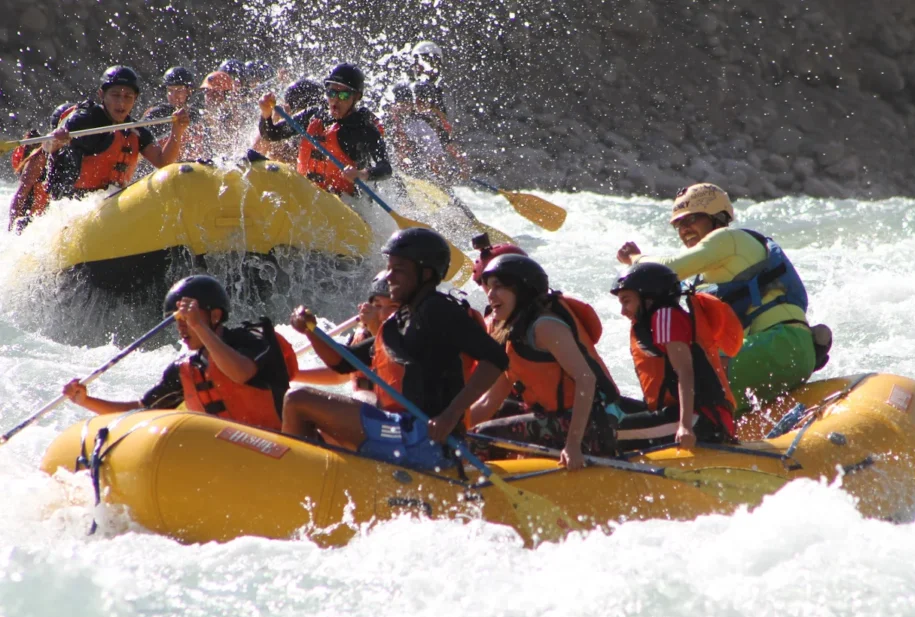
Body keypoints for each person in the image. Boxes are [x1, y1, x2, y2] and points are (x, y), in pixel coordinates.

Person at [282, 228, 507, 470]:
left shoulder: (438, 310)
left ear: (426, 273)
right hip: (401, 429)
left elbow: (495, 359)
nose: (388, 277)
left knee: (297, 401)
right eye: (388, 268)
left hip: (424, 438)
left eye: (398, 269)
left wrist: (451, 415)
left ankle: (293, 481)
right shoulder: (401, 319)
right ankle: (318, 478)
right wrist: (311, 330)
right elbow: (342, 362)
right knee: (339, 403)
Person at [616, 183, 831, 414]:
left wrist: (636, 258)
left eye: (692, 219)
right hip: (781, 351)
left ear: (717, 217)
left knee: (692, 386)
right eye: (678, 224)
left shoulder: (728, 239)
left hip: (779, 344)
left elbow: (669, 269)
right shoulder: (708, 274)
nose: (684, 229)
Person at [62, 275, 299, 431]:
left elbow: (240, 373)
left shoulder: (254, 337)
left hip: (282, 446)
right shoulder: (185, 367)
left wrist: (199, 326)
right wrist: (86, 400)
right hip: (230, 459)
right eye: (178, 321)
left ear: (215, 316)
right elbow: (142, 410)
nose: (182, 327)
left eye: (186, 319)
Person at [469, 255, 620, 470]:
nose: (490, 295)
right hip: (556, 418)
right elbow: (489, 402)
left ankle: (473, 490)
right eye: (488, 287)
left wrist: (573, 445)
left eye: (499, 287)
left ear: (522, 290)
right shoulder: (510, 332)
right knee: (489, 418)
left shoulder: (545, 327)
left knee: (483, 435)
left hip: (592, 425)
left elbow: (586, 380)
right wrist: (452, 426)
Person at [611, 262, 739, 451]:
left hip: (701, 420)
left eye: (627, 300)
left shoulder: (666, 316)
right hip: (680, 414)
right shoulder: (654, 320)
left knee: (603, 432)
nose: (623, 311)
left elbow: (685, 372)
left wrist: (685, 426)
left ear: (649, 297)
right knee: (610, 406)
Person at [44, 66, 190, 200]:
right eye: (115, 95)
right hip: (76, 201)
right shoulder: (84, 119)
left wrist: (177, 131)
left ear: (135, 99)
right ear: (102, 94)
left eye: (128, 97)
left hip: (111, 201)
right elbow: (47, 146)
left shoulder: (136, 130)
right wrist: (57, 140)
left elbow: (163, 162)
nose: (121, 103)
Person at [257, 63, 391, 196]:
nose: (335, 100)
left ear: (356, 97)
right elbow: (271, 134)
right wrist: (266, 114)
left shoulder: (365, 129)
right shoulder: (313, 115)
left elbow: (385, 168)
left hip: (346, 202)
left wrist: (361, 174)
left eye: (343, 95)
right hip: (310, 193)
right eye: (331, 93)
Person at [7, 102, 73, 232]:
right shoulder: (40, 156)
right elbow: (21, 192)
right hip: (30, 220)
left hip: (52, 219)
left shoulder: (74, 152)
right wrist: (12, 227)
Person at [142, 66, 206, 159]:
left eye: (179, 90)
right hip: (163, 166)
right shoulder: (157, 113)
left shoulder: (195, 114)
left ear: (189, 91)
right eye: (170, 90)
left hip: (190, 167)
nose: (173, 95)